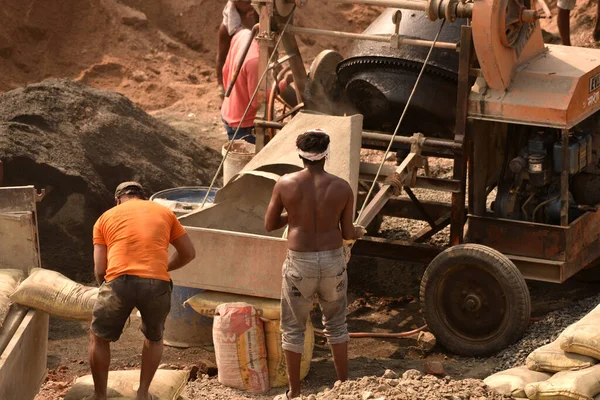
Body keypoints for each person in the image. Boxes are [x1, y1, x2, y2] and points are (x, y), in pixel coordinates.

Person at [264, 129, 365, 399]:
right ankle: (343, 386)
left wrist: (294, 216)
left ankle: (294, 392)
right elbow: (346, 233)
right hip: (333, 260)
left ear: (300, 155)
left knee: (294, 328)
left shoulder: (285, 184)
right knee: (337, 324)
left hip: (300, 263)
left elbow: (270, 224)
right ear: (326, 154)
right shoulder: (342, 187)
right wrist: (357, 231)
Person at [88, 182, 196, 400]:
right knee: (154, 338)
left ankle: (99, 396)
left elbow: (100, 269)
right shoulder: (165, 213)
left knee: (99, 338)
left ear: (118, 200)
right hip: (156, 283)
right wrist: (162, 268)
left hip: (119, 281)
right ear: (143, 197)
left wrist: (107, 289)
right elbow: (188, 253)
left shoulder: (105, 218)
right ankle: (143, 394)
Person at [221, 9, 292, 145]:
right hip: (244, 125)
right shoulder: (254, 61)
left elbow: (226, 70)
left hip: (229, 110)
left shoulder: (242, 34)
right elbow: (256, 102)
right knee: (249, 164)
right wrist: (284, 83)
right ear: (274, 34)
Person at [216, 0, 256, 100]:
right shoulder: (227, 28)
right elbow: (221, 58)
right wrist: (221, 87)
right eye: (246, 2)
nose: (249, 3)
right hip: (239, 69)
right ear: (236, 3)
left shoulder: (257, 12)